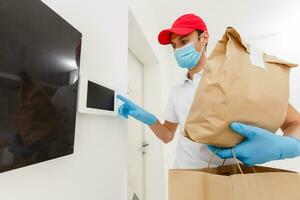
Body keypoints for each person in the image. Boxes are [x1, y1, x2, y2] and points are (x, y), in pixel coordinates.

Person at [117, 13, 300, 168]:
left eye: (184, 41)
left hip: (230, 177)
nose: (178, 50)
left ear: (203, 38)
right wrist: (150, 120)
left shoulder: (234, 76)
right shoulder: (177, 91)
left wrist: (288, 145)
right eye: (174, 46)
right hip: (187, 175)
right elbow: (167, 135)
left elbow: (295, 122)